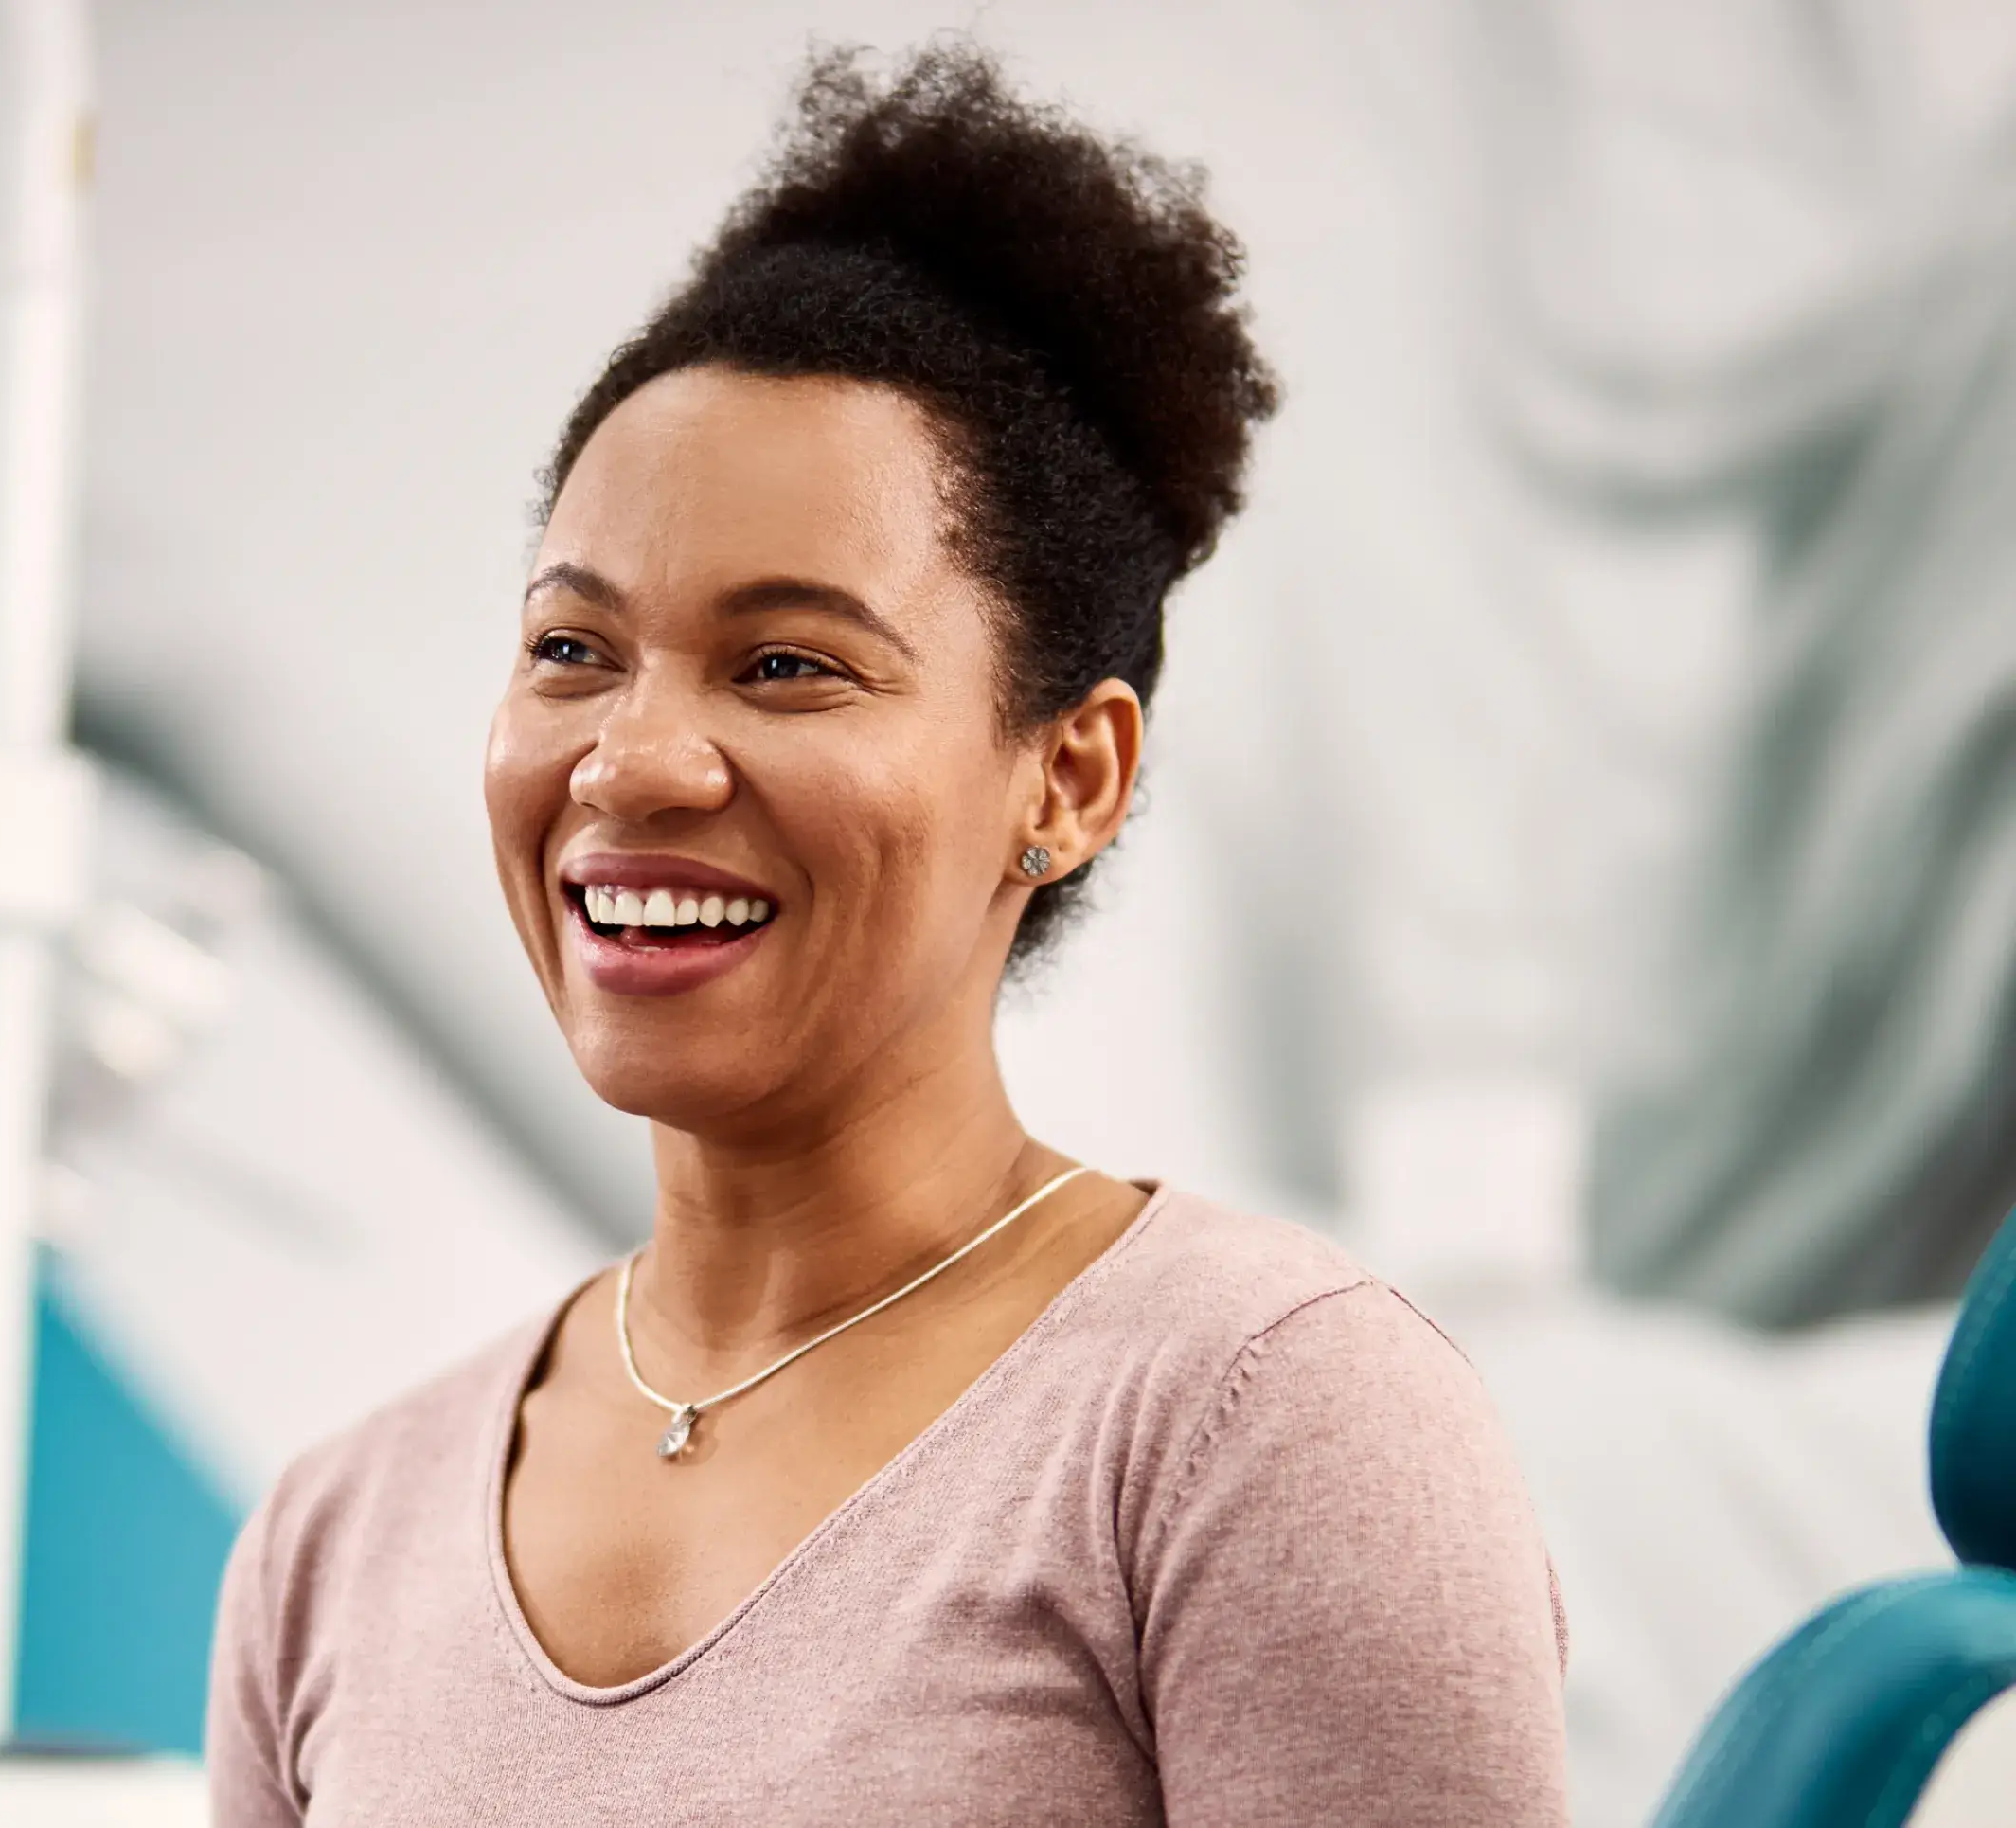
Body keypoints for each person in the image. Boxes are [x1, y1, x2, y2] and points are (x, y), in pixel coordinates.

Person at [205, 46, 1572, 1826]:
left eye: (788, 662)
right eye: (573, 648)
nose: (633, 755)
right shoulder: (330, 1539)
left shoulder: (1263, 1424)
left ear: (1066, 777)